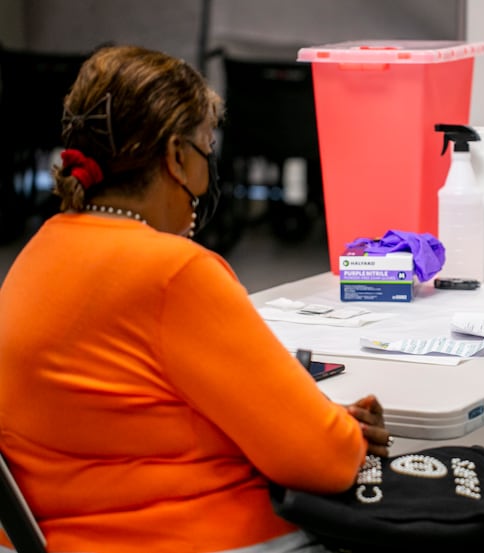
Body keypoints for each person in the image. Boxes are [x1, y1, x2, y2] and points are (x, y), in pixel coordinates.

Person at [0, 45, 392, 553]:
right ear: (176, 157)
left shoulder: (41, 251)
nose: (211, 164)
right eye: (207, 144)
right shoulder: (172, 271)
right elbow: (330, 462)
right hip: (187, 536)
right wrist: (341, 427)